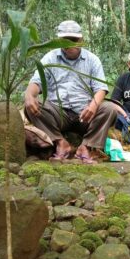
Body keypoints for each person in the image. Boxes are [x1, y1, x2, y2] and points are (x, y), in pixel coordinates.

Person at [24, 20, 116, 163]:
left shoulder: (92, 60)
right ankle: (60, 143)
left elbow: (100, 89)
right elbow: (36, 82)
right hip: (58, 113)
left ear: (81, 40)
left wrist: (93, 105)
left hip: (85, 114)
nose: (69, 44)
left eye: (73, 40)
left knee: (109, 108)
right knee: (33, 105)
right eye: (64, 40)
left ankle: (86, 146)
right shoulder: (50, 57)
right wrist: (29, 95)